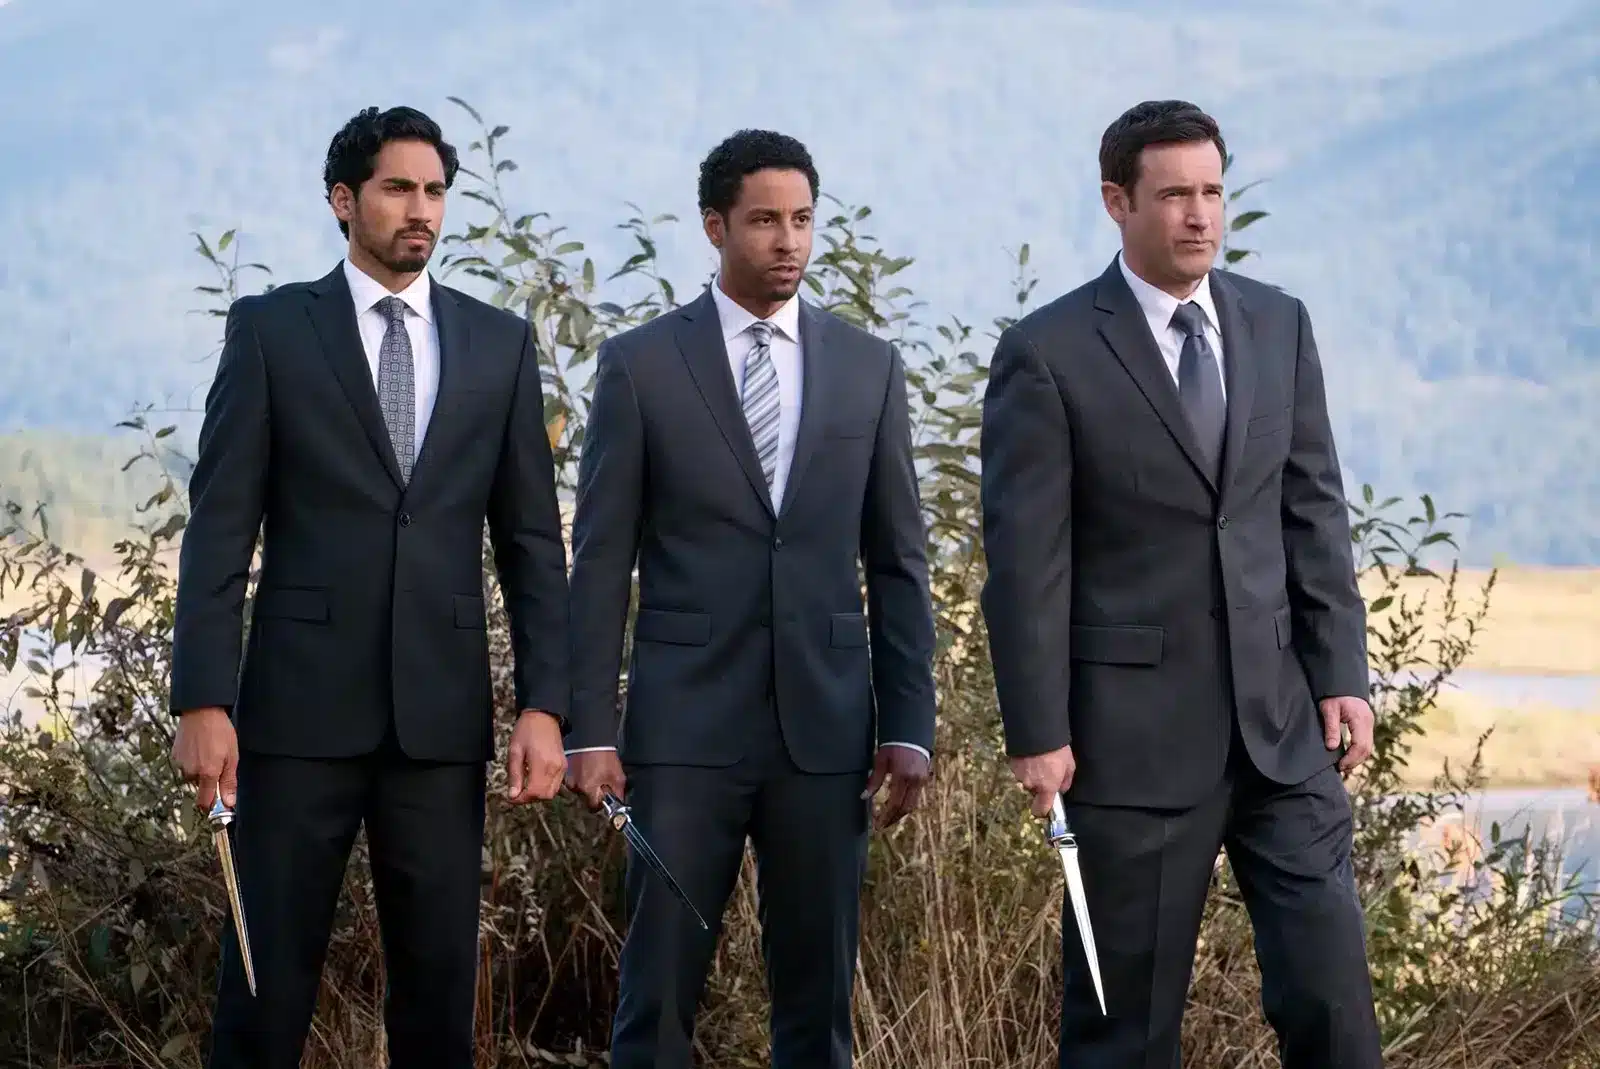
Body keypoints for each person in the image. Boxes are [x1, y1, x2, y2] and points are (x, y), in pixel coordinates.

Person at [978, 99, 1382, 1069]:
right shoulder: (1048, 352)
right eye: (1173, 196)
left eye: (1212, 191)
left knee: (1334, 1006)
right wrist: (1037, 730)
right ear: (1117, 202)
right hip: (1129, 747)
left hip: (1283, 733)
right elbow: (1026, 564)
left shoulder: (1277, 324)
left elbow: (1312, 511)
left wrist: (1342, 672)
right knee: (1123, 1033)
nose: (1199, 215)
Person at [168, 105, 571, 1069]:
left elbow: (530, 544)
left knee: (438, 1002)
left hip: (439, 722)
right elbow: (220, 529)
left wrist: (546, 705)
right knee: (263, 995)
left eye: (435, 191)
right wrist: (203, 700)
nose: (420, 209)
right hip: (294, 718)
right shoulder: (271, 331)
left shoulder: (500, 344)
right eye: (398, 188)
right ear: (343, 200)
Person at [564, 128, 938, 1069]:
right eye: (766, 220)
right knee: (656, 1000)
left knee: (818, 1010)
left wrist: (910, 722)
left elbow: (899, 562)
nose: (788, 241)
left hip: (827, 733)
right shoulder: (642, 365)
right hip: (683, 731)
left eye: (803, 219)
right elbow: (601, 560)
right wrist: (589, 728)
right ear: (715, 225)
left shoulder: (869, 367)